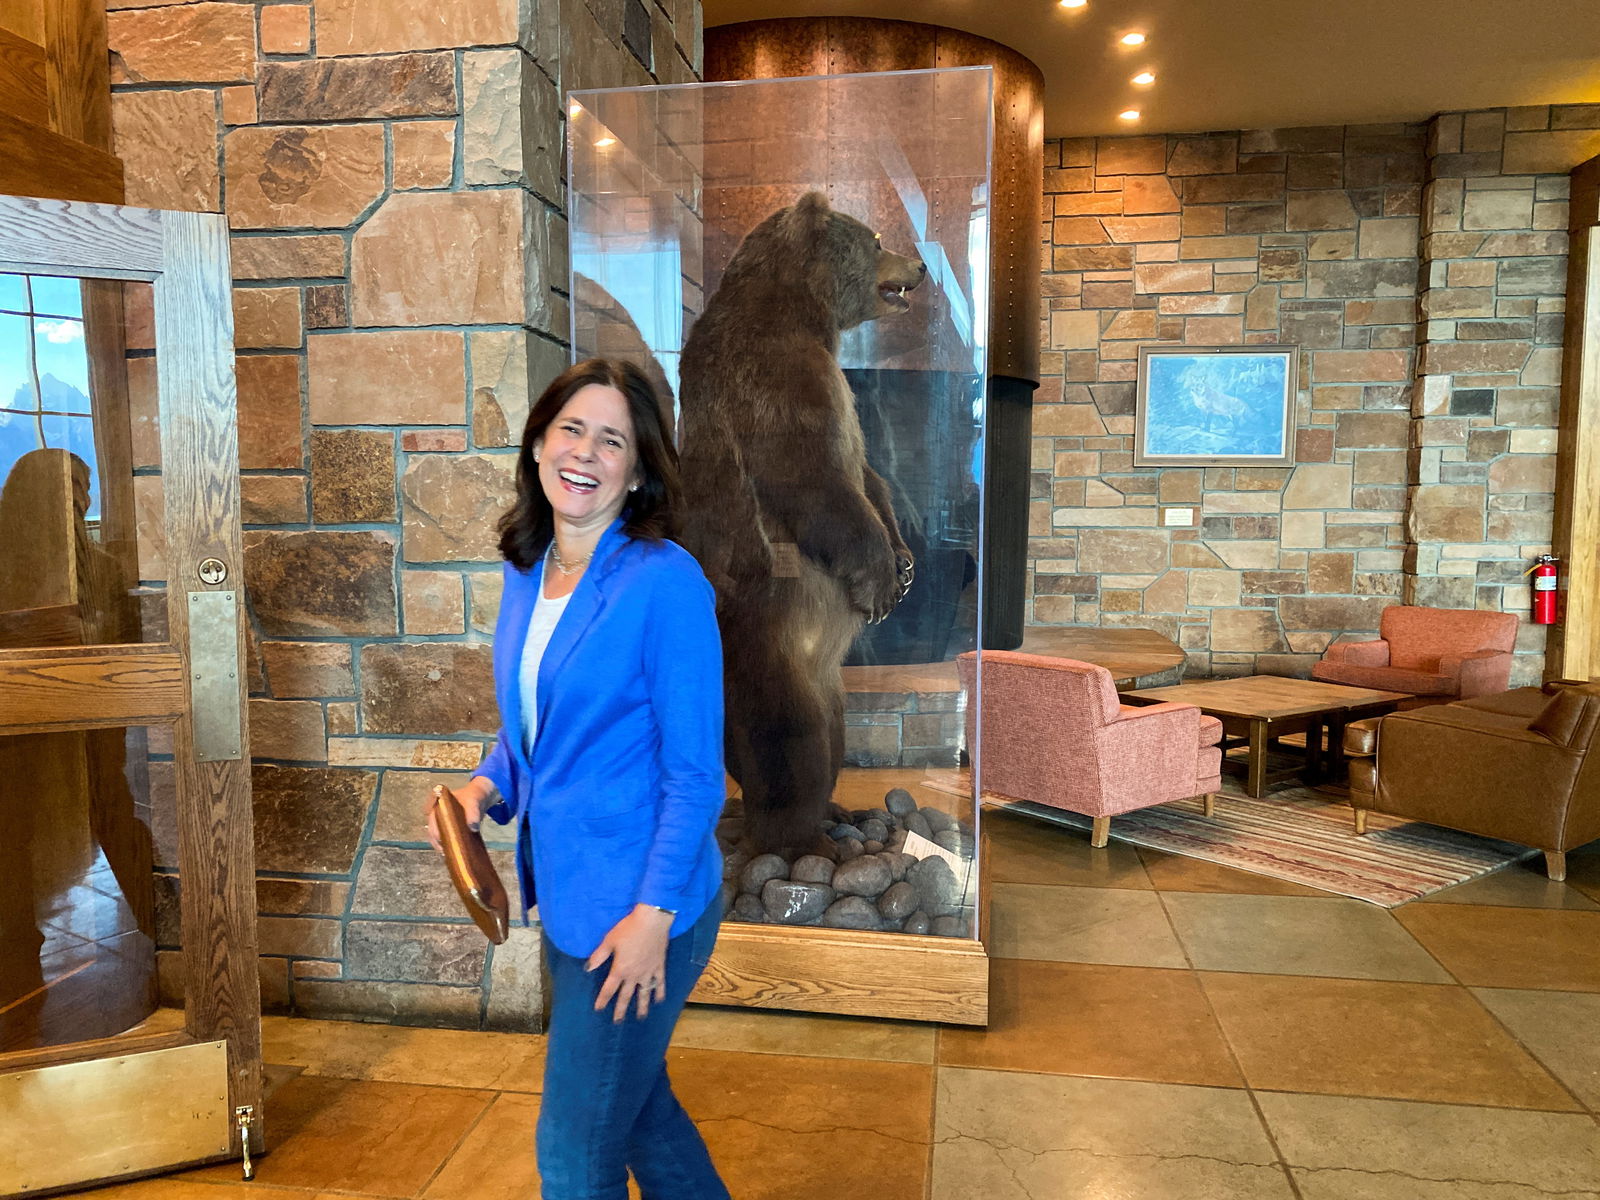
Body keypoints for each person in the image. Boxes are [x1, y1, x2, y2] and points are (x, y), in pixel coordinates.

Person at [425, 357, 731, 1199]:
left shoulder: (666, 584)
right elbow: (537, 727)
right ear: (536, 445)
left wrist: (654, 916)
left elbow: (696, 775)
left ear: (636, 473)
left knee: (572, 1152)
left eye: (612, 440)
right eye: (572, 429)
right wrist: (484, 789)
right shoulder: (529, 570)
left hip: (639, 911)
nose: (586, 453)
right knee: (635, 1113)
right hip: (569, 899)